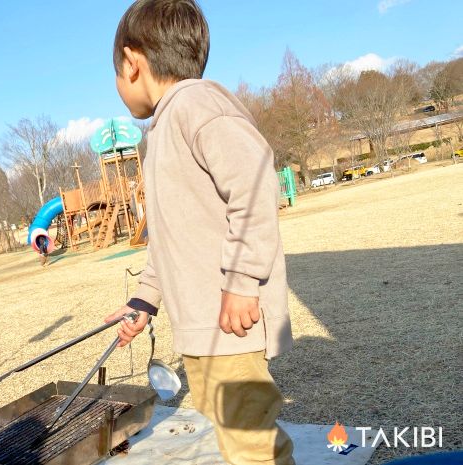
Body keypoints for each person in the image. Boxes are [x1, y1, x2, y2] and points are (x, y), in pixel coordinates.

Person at [104, 2, 294, 464]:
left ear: (132, 63)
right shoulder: (160, 131)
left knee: (251, 442)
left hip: (230, 319)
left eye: (114, 72)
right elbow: (169, 237)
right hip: (203, 324)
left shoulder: (196, 104)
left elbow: (253, 184)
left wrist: (244, 282)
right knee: (235, 431)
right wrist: (145, 299)